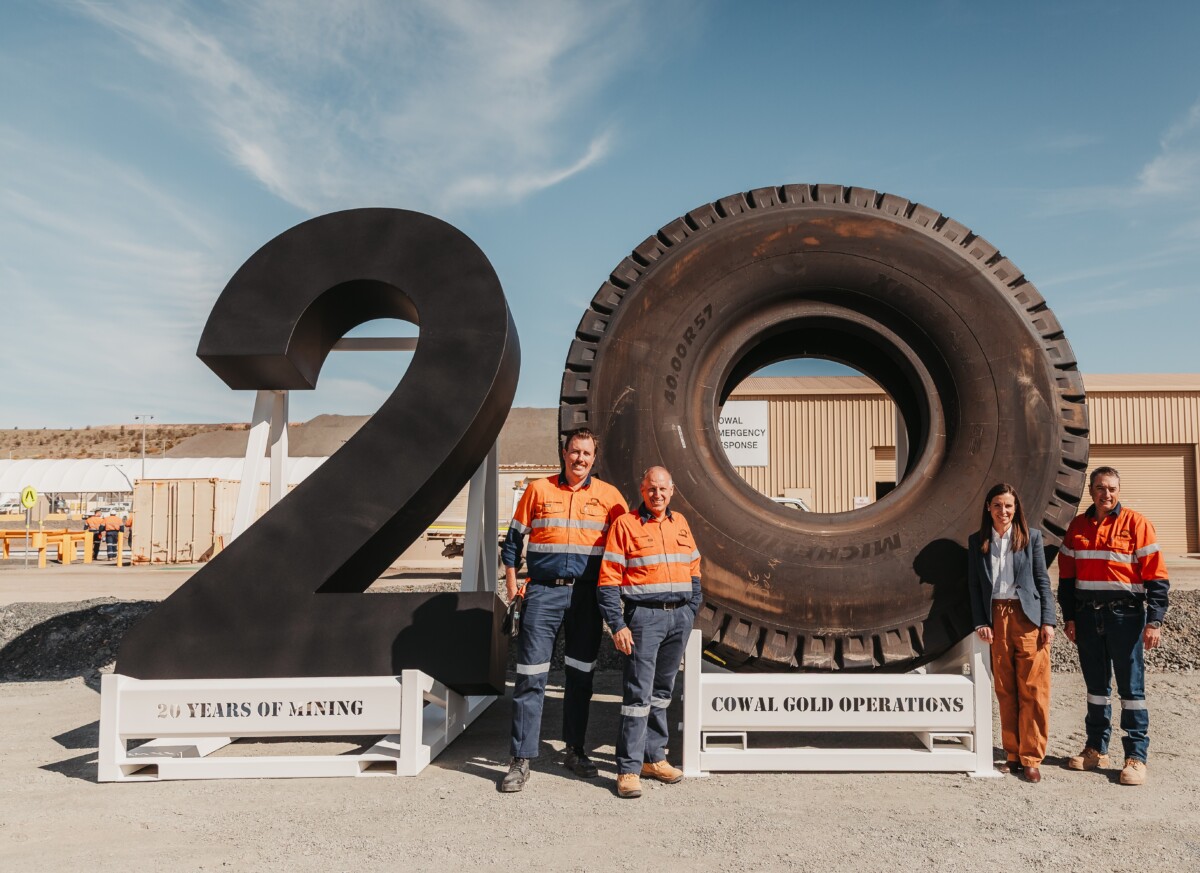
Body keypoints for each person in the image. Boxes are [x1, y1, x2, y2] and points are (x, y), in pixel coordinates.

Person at [498, 428, 627, 793]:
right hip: (542, 595)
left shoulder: (611, 498)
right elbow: (512, 541)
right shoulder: (538, 489)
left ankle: (574, 749)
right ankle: (522, 758)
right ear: (563, 452)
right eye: (575, 452)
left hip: (588, 599)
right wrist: (513, 587)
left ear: (594, 458)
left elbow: (626, 543)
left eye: (587, 454)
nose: (580, 459)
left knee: (581, 677)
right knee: (530, 676)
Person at [1058, 466, 1169, 786]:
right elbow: (1067, 578)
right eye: (1100, 488)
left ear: (1118, 491)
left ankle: (1136, 756)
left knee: (1131, 690)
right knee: (1096, 689)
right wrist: (1070, 617)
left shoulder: (1136, 524)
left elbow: (1157, 579)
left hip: (1126, 618)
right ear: (1091, 491)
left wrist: (1155, 621)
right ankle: (1095, 748)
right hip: (1088, 618)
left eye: (1111, 489)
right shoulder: (1077, 526)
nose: (1106, 494)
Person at [597, 466, 702, 799]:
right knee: (637, 694)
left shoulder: (680, 522)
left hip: (678, 618)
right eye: (651, 489)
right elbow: (608, 580)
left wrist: (691, 608)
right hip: (643, 619)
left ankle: (654, 757)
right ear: (642, 490)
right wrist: (618, 624)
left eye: (663, 489)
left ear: (672, 490)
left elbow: (695, 568)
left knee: (662, 692)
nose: (657, 495)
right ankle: (628, 768)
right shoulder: (625, 525)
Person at [967, 483, 1055, 783]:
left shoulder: (1031, 538)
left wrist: (1048, 621)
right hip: (996, 618)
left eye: (1008, 506)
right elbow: (975, 586)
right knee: (1005, 687)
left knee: (1033, 688)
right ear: (988, 508)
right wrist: (981, 621)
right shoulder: (977, 541)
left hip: (1026, 616)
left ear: (1016, 508)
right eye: (997, 505)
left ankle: (1032, 756)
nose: (1003, 511)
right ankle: (1013, 754)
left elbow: (1042, 581)